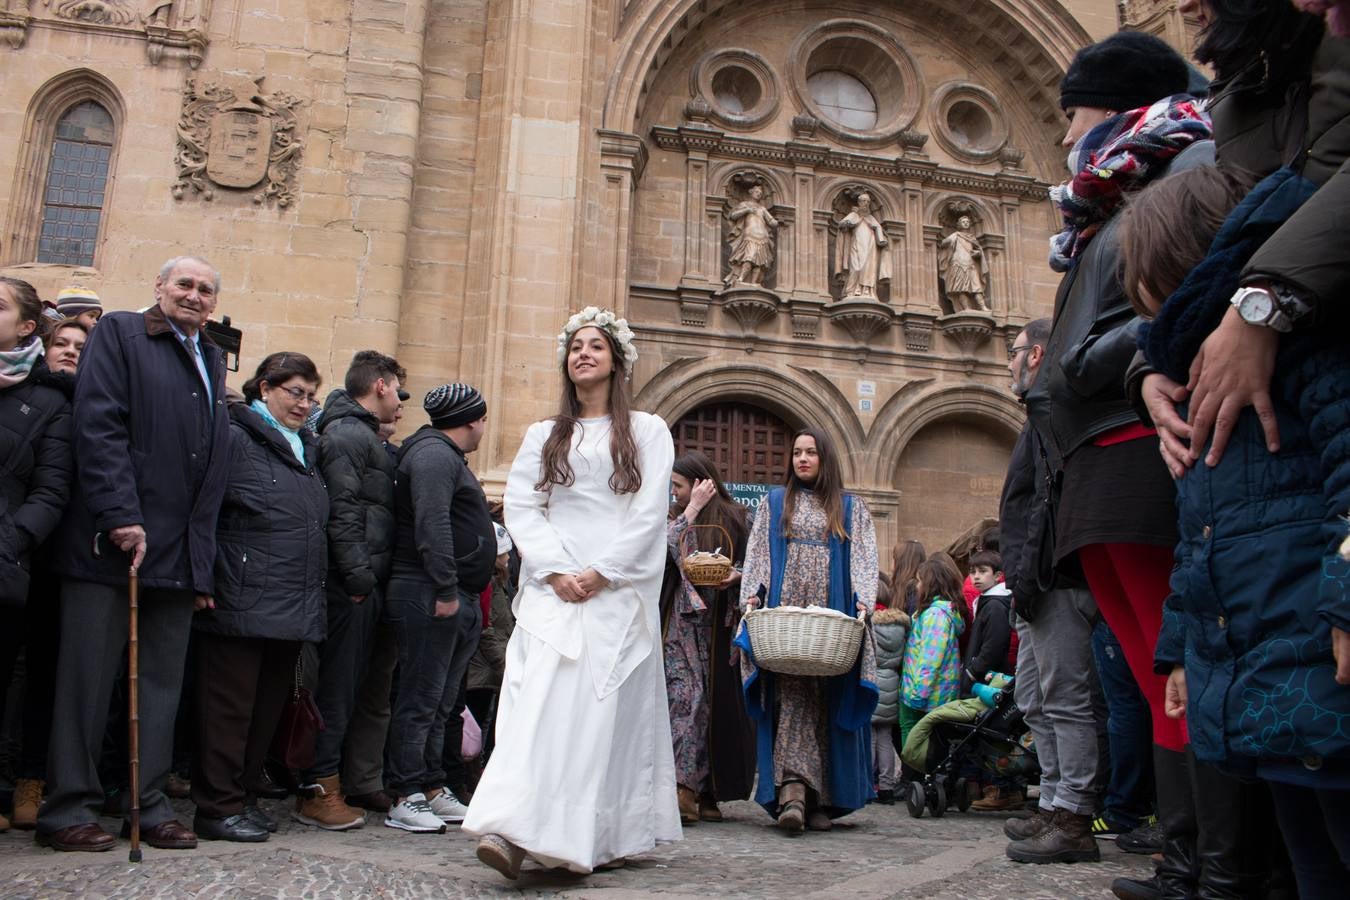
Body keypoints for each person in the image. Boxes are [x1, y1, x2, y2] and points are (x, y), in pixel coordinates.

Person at [1020, 29, 1210, 868]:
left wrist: (1082, 363)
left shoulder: (1178, 168)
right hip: (1095, 451)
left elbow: (1182, 294)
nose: (1065, 136)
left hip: (1132, 443)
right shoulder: (1110, 197)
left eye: (1074, 114)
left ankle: (1208, 851)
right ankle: (1195, 848)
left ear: (1120, 105)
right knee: (1147, 658)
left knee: (1173, 655)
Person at [465, 307, 678, 877]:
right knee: (533, 706)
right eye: (576, 346)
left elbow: (648, 511)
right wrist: (557, 570)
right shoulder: (544, 434)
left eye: (596, 347)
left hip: (614, 592)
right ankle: (511, 827)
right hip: (552, 591)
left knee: (592, 719)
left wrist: (602, 571)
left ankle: (589, 833)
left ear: (616, 361)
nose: (583, 353)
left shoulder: (649, 431)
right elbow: (525, 506)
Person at [37, 256, 230, 852]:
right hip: (112, 543)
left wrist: (201, 559)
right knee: (87, 684)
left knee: (161, 687)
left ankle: (146, 805)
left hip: (176, 553)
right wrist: (120, 512)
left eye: (205, 289)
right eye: (184, 285)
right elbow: (99, 424)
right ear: (160, 288)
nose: (194, 296)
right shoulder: (122, 330)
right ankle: (68, 808)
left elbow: (207, 462)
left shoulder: (210, 355)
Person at [190, 352, 329, 842]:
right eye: (295, 392)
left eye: (311, 396)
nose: (304, 404)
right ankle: (216, 805)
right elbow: (203, 510)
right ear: (265, 387)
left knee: (266, 710)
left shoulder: (306, 447)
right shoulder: (234, 436)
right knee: (228, 711)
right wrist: (201, 580)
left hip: (291, 602)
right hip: (239, 595)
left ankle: (243, 796)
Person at [735, 427, 879, 834]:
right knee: (791, 698)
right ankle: (792, 791)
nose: (802, 459)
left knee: (827, 701)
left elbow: (864, 557)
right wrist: (752, 596)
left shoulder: (851, 508)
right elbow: (759, 553)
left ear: (824, 458)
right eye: (797, 452)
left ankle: (822, 799)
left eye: (810, 452)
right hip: (786, 617)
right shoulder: (775, 503)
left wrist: (864, 599)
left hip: (832, 614)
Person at [294, 350, 405, 830]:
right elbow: (342, 512)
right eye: (399, 389)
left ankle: (341, 780)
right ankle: (319, 788)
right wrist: (360, 581)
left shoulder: (360, 435)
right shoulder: (346, 435)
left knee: (353, 686)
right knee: (336, 689)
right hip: (351, 587)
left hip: (363, 583)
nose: (401, 401)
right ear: (380, 385)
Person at [383, 383, 495, 834]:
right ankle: (404, 792)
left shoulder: (445, 457)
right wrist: (446, 589)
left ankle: (430, 785)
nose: (485, 427)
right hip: (429, 593)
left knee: (442, 701)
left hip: (454, 596)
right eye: (483, 419)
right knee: (420, 697)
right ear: (472, 420)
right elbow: (432, 525)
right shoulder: (432, 455)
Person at [0, 277, 73, 834]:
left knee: (35, 675)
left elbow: (52, 488)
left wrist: (12, 539)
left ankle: (28, 778)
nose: (71, 352)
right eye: (63, 344)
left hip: (38, 558)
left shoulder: (52, 403)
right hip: (21, 555)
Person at [663, 450, 754, 825]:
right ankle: (682, 788)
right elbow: (660, 552)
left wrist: (740, 574)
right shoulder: (675, 519)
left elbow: (756, 564)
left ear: (701, 482)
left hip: (720, 624)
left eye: (679, 487)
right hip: (680, 625)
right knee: (686, 701)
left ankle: (708, 790)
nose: (675, 494)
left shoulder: (736, 519)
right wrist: (690, 512)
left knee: (717, 705)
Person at [897, 554, 967, 754]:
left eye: (919, 581)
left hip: (925, 696)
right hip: (927, 693)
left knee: (914, 740)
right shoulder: (936, 612)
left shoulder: (935, 615)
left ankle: (914, 779)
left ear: (930, 584)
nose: (916, 586)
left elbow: (930, 659)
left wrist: (918, 695)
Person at [869, 579, 908, 805]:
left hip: (872, 680)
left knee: (869, 737)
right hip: (892, 681)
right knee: (885, 738)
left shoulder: (870, 623)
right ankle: (887, 787)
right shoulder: (900, 625)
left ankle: (868, 782)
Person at [833, 191, 890, 298]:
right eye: (864, 201)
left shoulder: (871, 218)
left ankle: (867, 291)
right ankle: (851, 290)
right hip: (856, 244)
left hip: (870, 246)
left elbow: (878, 229)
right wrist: (846, 224)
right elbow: (842, 224)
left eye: (868, 202)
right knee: (856, 267)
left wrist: (882, 239)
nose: (866, 203)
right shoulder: (853, 215)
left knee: (869, 268)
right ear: (859, 202)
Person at [723, 183, 779, 289]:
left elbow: (771, 221)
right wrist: (747, 210)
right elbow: (733, 215)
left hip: (763, 237)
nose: (759, 194)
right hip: (750, 235)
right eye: (757, 192)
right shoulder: (745, 204)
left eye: (761, 193)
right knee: (749, 258)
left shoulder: (762, 208)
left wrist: (778, 222)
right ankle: (741, 279)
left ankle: (754, 283)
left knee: (760, 263)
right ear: (751, 192)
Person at [938, 215, 988, 311]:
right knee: (961, 288)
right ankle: (966, 308)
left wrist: (978, 253)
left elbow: (978, 250)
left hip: (971, 265)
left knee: (977, 287)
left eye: (967, 222)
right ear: (959, 225)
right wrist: (948, 241)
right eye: (963, 222)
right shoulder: (956, 235)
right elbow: (944, 243)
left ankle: (982, 306)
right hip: (958, 264)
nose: (966, 223)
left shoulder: (972, 238)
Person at [889, 539, 925, 617]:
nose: (891, 563)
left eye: (894, 557)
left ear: (902, 562)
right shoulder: (900, 588)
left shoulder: (914, 590)